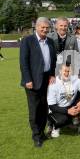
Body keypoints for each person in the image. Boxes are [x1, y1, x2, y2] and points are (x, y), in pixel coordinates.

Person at [20, 17, 57, 147]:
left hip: (46, 79)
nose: (45, 30)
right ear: (36, 27)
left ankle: (41, 133)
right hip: (33, 81)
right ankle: (36, 136)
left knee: (44, 108)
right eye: (42, 27)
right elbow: (23, 62)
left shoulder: (51, 42)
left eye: (47, 28)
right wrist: (27, 79)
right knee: (34, 109)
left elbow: (53, 60)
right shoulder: (27, 41)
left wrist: (52, 74)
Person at [47, 64, 80, 137]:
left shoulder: (75, 80)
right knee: (62, 120)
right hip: (56, 109)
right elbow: (51, 106)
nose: (67, 73)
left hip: (70, 106)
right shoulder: (53, 83)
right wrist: (68, 111)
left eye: (69, 71)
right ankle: (56, 127)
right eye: (65, 71)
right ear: (60, 71)